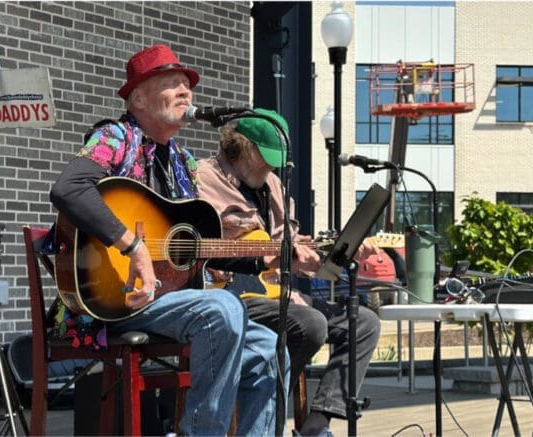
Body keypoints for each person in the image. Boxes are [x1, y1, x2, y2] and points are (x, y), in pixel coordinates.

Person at [50, 45, 287, 436]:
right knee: (223, 309)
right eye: (172, 83)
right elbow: (69, 188)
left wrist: (265, 258)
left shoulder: (183, 162)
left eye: (188, 85)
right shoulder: (115, 138)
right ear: (139, 98)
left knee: (269, 349)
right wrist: (132, 246)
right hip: (117, 298)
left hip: (167, 298)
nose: (186, 92)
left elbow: (196, 251)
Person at [196, 109, 382, 437]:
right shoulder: (201, 178)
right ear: (242, 147)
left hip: (275, 294)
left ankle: (316, 425)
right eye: (265, 160)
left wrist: (331, 256)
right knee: (310, 324)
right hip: (228, 296)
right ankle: (256, 409)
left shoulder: (274, 187)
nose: (271, 168)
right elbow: (195, 246)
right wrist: (263, 253)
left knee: (363, 322)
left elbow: (294, 251)